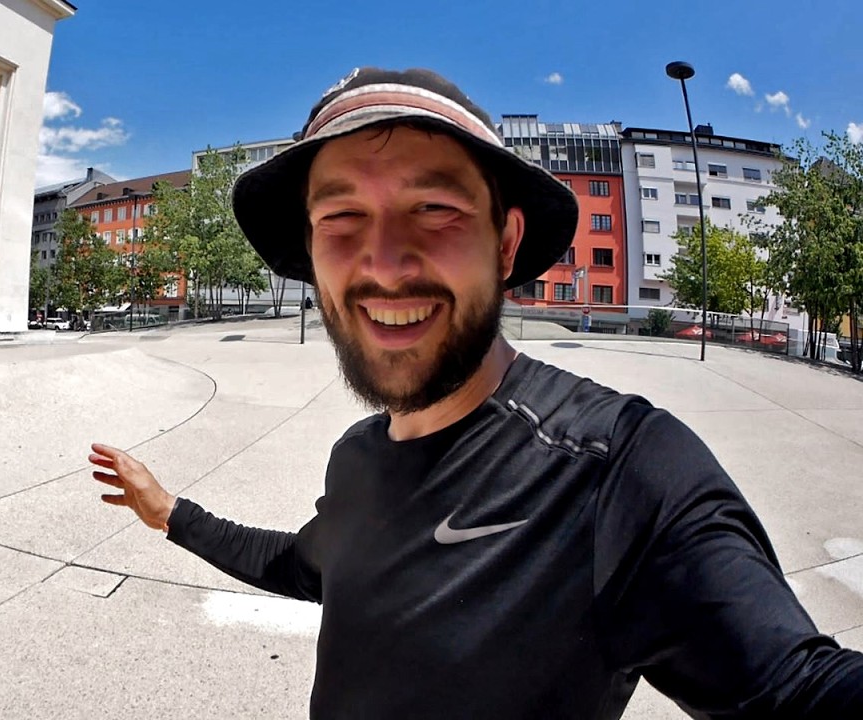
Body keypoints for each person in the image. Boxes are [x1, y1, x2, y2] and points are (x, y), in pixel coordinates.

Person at [88, 68, 863, 718]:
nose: (384, 263)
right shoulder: (357, 458)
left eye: (435, 209)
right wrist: (170, 514)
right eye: (342, 215)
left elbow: (796, 686)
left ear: (506, 243)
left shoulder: (617, 472)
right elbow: (307, 567)